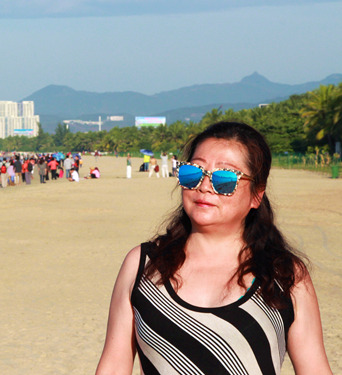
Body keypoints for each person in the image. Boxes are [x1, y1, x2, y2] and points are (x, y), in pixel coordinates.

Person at [96, 122, 332, 375]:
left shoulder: (285, 275)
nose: (205, 186)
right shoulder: (143, 265)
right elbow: (114, 365)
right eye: (193, 173)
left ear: (257, 195)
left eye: (225, 179)